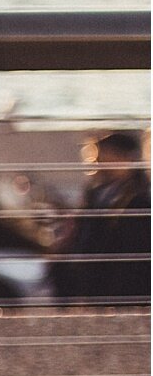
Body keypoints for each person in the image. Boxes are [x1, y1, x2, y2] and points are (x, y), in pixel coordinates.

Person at [50, 130, 150, 304]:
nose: (96, 161)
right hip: (91, 286)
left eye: (103, 155)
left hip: (122, 289)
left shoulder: (139, 200)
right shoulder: (94, 195)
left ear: (125, 158)